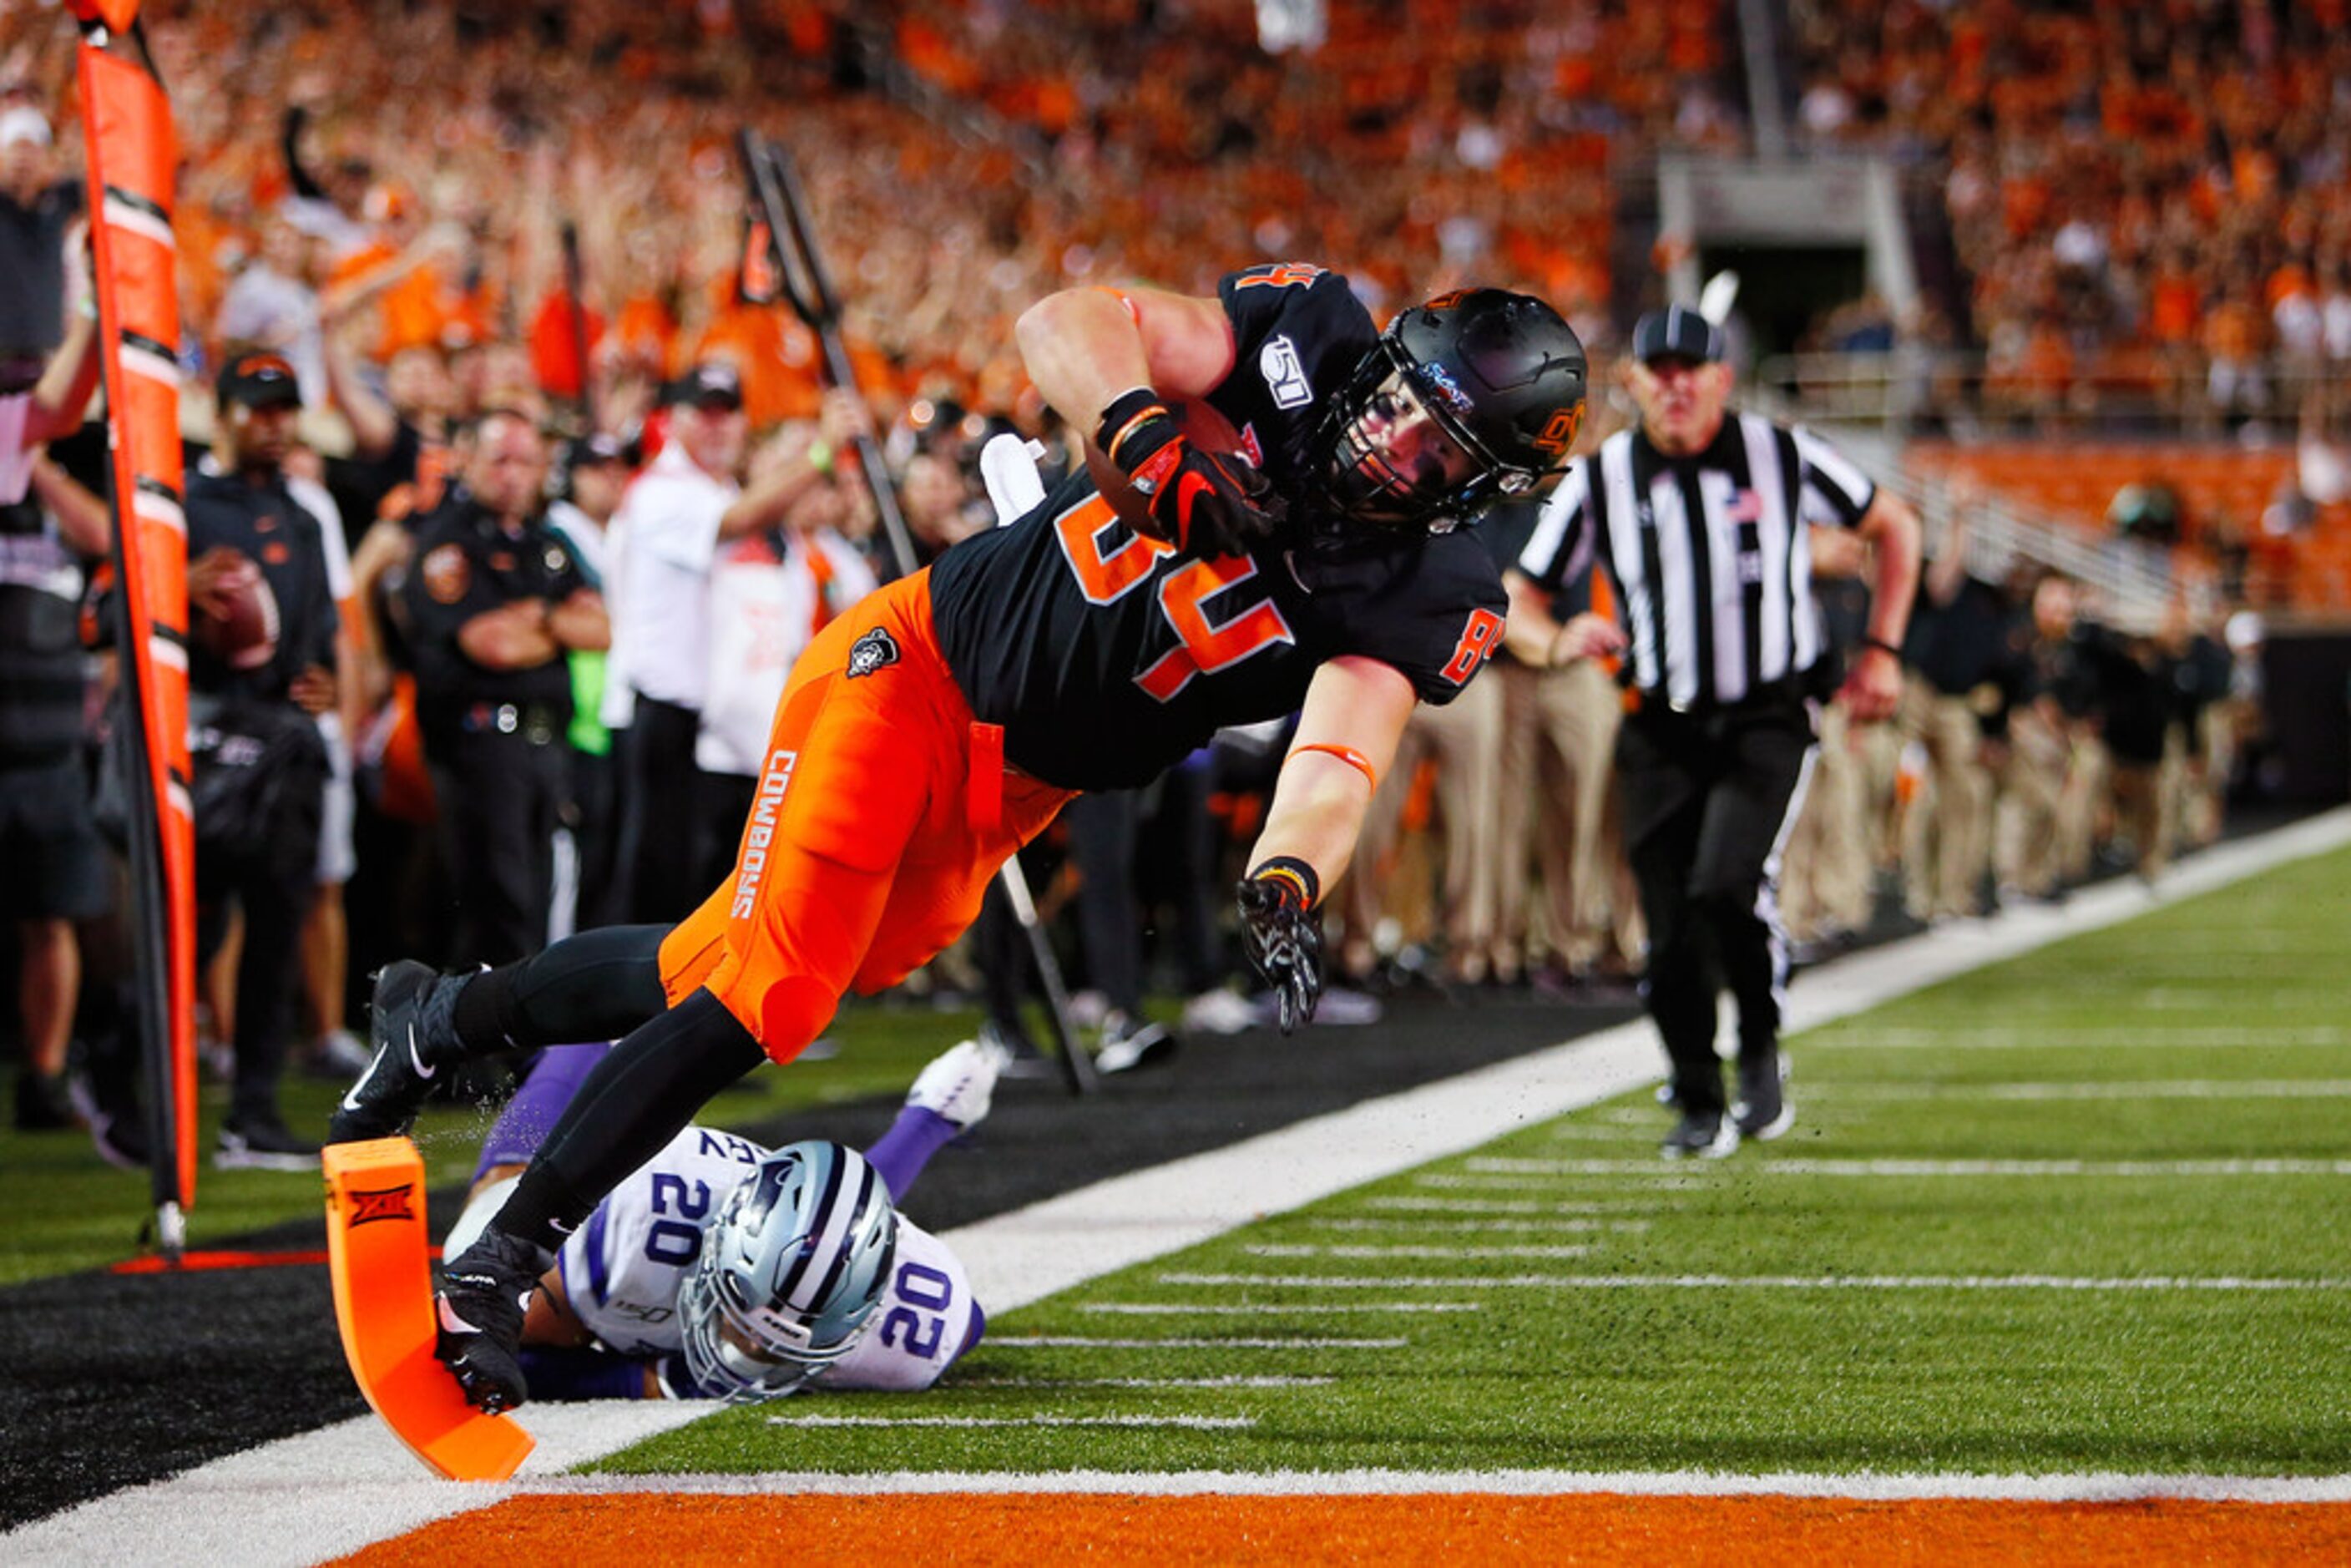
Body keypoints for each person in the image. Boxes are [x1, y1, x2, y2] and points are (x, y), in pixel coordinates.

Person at [334, 264, 1589, 1414]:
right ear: (1381, 358)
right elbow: (1072, 321)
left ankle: (444, 1018)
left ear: (1480, 491)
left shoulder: (1433, 593)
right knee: (772, 985)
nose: (1395, 438)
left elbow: (1339, 751)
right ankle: (501, 1259)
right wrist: (1145, 433)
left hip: (1016, 791)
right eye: (1402, 400)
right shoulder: (1296, 335)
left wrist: (1288, 871)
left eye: (1441, 444)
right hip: (916, 667)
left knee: (723, 966)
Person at [1503, 306, 1919, 1159]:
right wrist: (1555, 642)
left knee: (1725, 885)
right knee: (1666, 927)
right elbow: (1520, 595)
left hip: (1767, 712)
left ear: (1722, 379)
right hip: (1658, 720)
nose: (1675, 384)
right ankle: (1695, 1091)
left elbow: (1894, 525)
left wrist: (1879, 651)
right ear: (1633, 382)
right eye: (1657, 369)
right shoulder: (1602, 476)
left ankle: (1758, 1043)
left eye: (1691, 367)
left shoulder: (1780, 453)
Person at [441, 1036, 1000, 1401]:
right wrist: (646, 1382)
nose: (751, 1354)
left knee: (826, 1238)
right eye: (750, 1328)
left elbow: (965, 1325)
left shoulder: (918, 1321)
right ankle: (523, 1017)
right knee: (486, 1224)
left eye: (781, 1345)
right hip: (630, 1178)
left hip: (779, 1229)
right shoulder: (625, 1240)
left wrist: (663, 1380)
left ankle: (932, 1115)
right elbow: (497, 1349)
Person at [185, 352, 344, 1168]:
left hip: (286, 749)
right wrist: (177, 586)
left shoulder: (304, 517)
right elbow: (112, 612)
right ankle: (130, 1083)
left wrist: (326, 681)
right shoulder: (177, 504)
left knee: (279, 929)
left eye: (285, 410)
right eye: (258, 409)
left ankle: (252, 1110)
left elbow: (318, 634)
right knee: (195, 928)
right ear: (221, 414)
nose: (274, 424)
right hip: (210, 742)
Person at [400, 408, 609, 969]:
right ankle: (486, 1044)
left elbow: (603, 629)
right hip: (481, 741)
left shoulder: (550, 544)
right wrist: (556, 624)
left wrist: (537, 617)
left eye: (525, 461)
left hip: (546, 743)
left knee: (536, 898)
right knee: (498, 902)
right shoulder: (448, 543)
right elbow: (492, 644)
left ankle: (523, 1044)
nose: (513, 474)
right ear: (466, 461)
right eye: (500, 459)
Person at [2, 305, 103, 1130]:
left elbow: (106, 538)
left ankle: (43, 1073)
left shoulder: (61, 475)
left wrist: (29, 460)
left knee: (52, 916)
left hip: (47, 746)